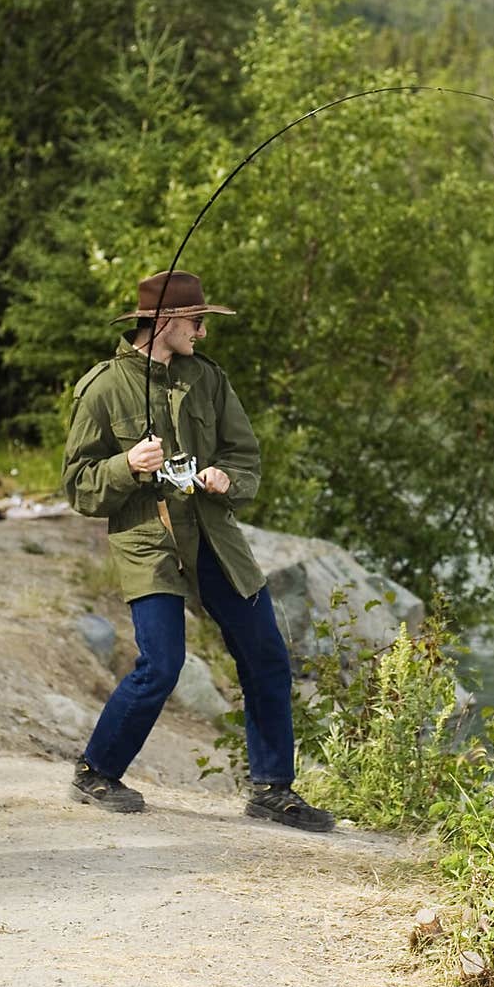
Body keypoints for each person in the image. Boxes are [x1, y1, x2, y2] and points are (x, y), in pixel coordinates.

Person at [61, 269, 335, 833]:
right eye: (196, 321)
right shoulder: (102, 388)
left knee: (266, 655)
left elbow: (246, 457)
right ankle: (96, 771)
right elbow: (80, 486)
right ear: (163, 322)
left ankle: (272, 789)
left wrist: (226, 480)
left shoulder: (209, 380)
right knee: (162, 663)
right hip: (149, 540)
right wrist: (127, 466)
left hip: (214, 537)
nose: (203, 333)